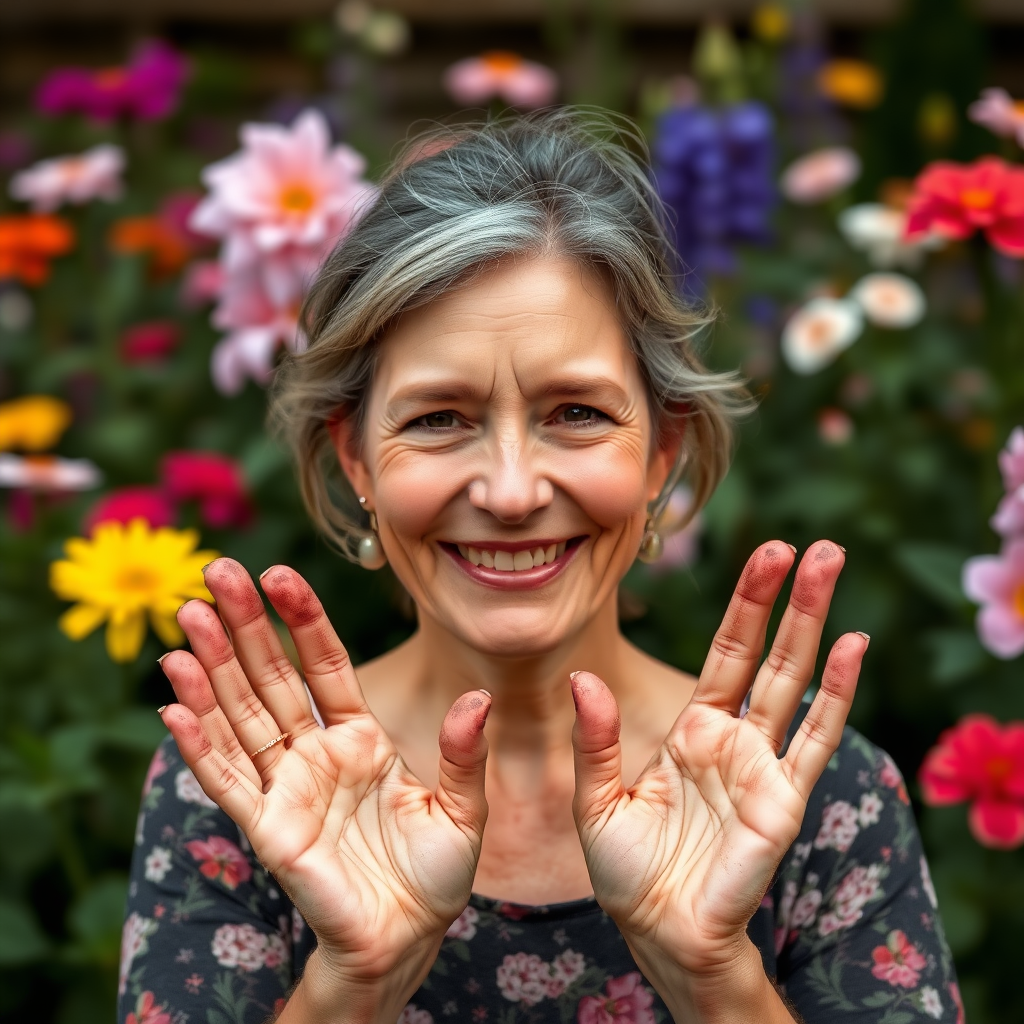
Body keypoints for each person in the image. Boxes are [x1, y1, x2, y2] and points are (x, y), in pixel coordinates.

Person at [118, 110, 960, 1024]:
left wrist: (716, 979)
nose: (513, 491)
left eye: (577, 413)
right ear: (356, 459)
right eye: (439, 417)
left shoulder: (812, 794)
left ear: (661, 454)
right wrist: (351, 986)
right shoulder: (251, 792)